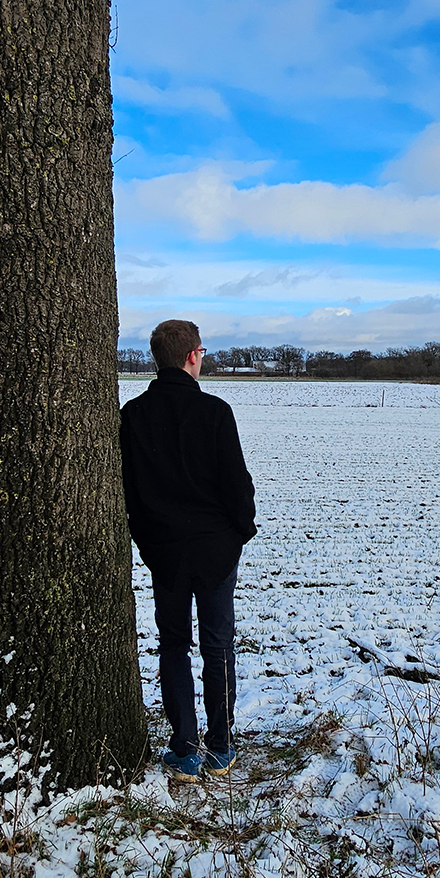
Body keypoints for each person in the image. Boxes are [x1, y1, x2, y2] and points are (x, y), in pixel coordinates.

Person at [119, 319, 256, 780]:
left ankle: (184, 749)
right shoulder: (216, 412)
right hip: (216, 550)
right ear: (193, 355)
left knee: (173, 644)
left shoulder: (133, 415)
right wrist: (241, 532)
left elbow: (131, 492)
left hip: (166, 553)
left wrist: (148, 541)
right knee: (217, 644)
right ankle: (220, 746)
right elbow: (238, 486)